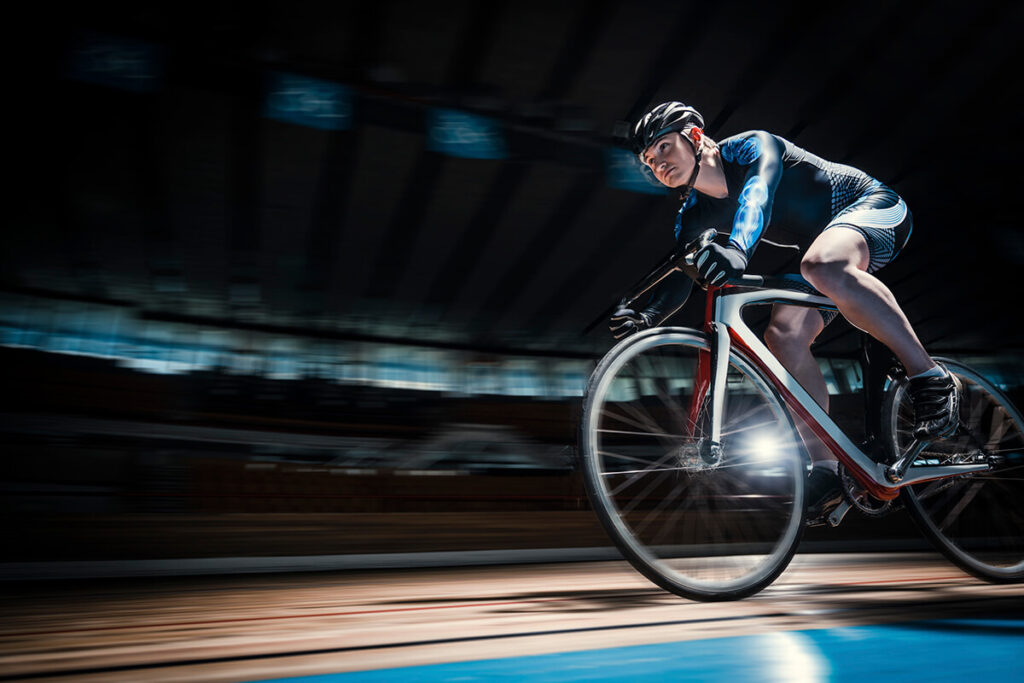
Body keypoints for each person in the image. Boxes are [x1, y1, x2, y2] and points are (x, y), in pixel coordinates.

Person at [608, 101, 961, 523]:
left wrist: (738, 249)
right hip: (822, 245)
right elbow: (682, 274)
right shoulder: (694, 214)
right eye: (650, 161)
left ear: (695, 137)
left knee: (821, 265)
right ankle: (827, 470)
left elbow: (756, 196)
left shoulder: (751, 147)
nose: (658, 164)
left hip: (872, 205)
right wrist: (646, 318)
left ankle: (931, 379)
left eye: (664, 147)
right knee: (783, 336)